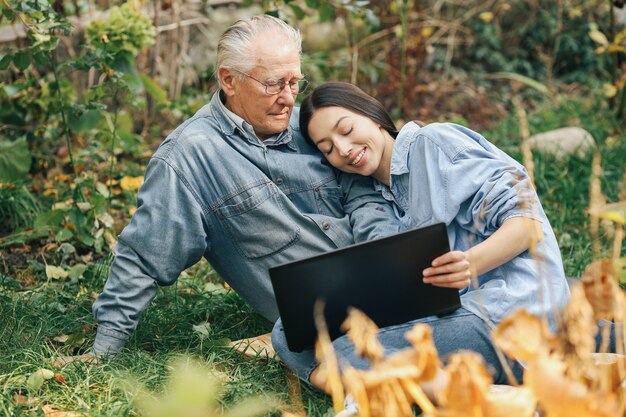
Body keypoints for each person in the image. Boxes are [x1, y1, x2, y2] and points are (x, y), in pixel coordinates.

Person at [88, 18, 400, 364]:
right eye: (273, 84)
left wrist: (384, 251)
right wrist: (104, 350)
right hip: (329, 320)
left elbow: (364, 192)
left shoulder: (312, 128)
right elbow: (145, 255)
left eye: (294, 82)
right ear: (228, 80)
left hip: (394, 278)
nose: (288, 98)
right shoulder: (190, 157)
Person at [277, 81, 572, 387]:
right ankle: (408, 386)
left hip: (507, 315)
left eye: (347, 129)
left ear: (372, 114)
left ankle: (386, 388)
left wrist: (472, 262)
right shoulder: (378, 195)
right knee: (287, 333)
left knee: (346, 349)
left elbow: (528, 221)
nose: (343, 149)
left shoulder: (434, 143)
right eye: (328, 149)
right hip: (451, 315)